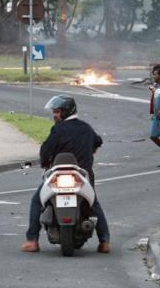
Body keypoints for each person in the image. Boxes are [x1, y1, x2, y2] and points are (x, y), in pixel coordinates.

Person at [21, 95, 111, 254]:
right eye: (54, 112)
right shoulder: (86, 128)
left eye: (57, 112)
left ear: (67, 111)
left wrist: (44, 163)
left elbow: (45, 151)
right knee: (93, 204)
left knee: (37, 202)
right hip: (82, 176)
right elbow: (98, 142)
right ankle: (104, 242)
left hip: (58, 176)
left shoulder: (58, 129)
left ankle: (32, 240)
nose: (54, 115)